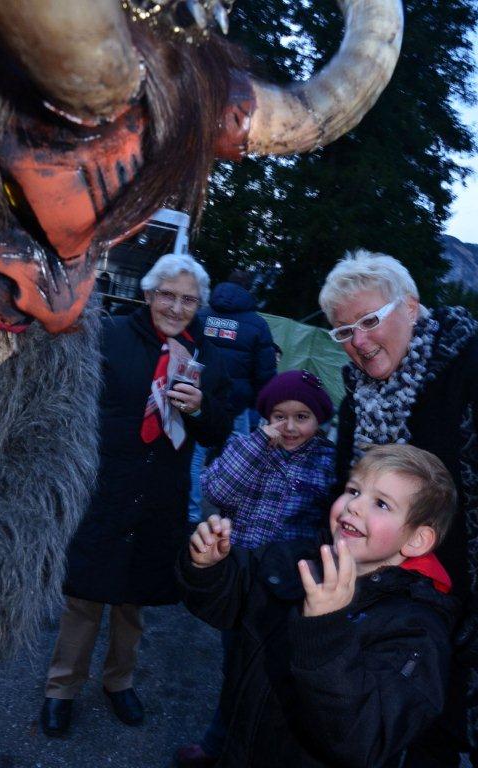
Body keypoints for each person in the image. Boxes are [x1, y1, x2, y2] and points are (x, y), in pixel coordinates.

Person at [319, 249, 478, 767]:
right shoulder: (357, 398)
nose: (358, 342)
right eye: (344, 331)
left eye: (369, 321)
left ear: (411, 307)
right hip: (398, 617)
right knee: (412, 739)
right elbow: (341, 494)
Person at [40, 254, 233, 737]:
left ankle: (119, 682)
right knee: (84, 598)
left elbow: (219, 430)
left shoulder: (206, 356)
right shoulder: (110, 336)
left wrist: (201, 408)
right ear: (148, 294)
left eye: (188, 299)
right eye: (168, 295)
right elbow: (69, 401)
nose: (177, 307)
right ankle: (61, 689)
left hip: (159, 496)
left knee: (133, 601)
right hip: (105, 487)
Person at [175, 444, 459, 768]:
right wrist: (207, 567)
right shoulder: (297, 560)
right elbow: (227, 602)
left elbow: (363, 738)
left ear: (417, 540)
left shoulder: (416, 630)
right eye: (353, 490)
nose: (354, 506)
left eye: (381, 503)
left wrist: (325, 630)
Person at [176, 369, 337, 766]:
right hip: (246, 579)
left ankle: (258, 750)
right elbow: (216, 488)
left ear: (318, 419)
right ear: (266, 417)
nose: (290, 427)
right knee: (236, 666)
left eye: (302, 417)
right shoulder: (248, 447)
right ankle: (218, 743)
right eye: (280, 416)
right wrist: (257, 444)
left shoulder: (329, 461)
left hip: (293, 587)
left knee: (276, 674)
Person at [188, 268, 277, 523]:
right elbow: (265, 372)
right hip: (236, 406)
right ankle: (232, 519)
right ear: (248, 290)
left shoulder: (201, 316)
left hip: (200, 400)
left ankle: (191, 514)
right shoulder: (257, 324)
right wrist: (263, 406)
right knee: (243, 459)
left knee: (195, 458)